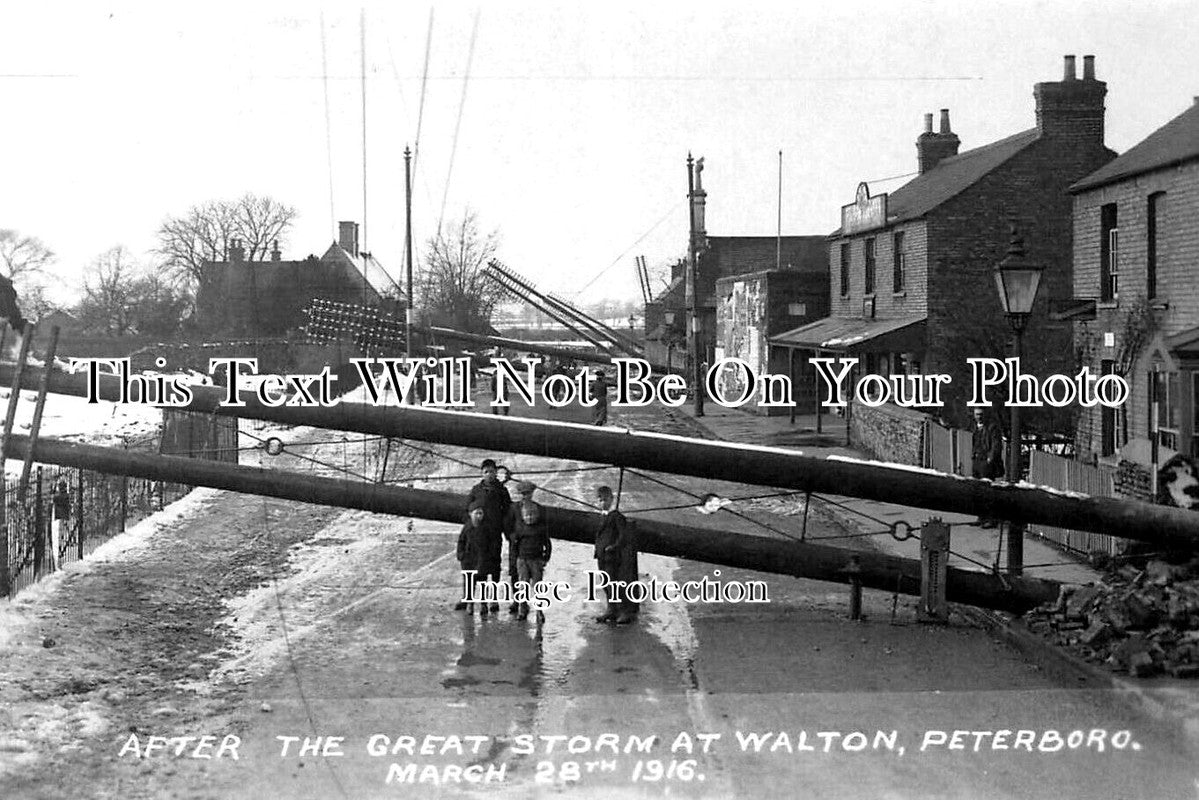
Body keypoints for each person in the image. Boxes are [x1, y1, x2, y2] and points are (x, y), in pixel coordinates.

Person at [466, 458, 511, 610]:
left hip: (495, 533)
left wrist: (506, 530)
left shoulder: (502, 491)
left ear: (496, 473)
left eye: (492, 471)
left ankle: (494, 599)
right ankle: (483, 602)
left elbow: (508, 511)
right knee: (482, 567)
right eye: (486, 472)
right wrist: (472, 527)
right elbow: (468, 509)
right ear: (482, 473)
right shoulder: (476, 490)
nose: (489, 474)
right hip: (480, 535)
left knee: (495, 566)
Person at [593, 485, 637, 624]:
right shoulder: (602, 516)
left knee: (616, 583)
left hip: (612, 556)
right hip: (602, 556)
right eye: (600, 500)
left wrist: (614, 547)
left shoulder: (616, 516)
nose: (603, 503)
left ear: (612, 499)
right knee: (606, 583)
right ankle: (611, 609)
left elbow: (623, 535)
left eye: (605, 499)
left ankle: (624, 610)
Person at [511, 501, 552, 621]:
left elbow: (547, 545)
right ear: (523, 516)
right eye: (527, 515)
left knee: (538, 586)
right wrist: (516, 559)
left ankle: (539, 611)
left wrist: (545, 558)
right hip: (523, 560)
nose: (529, 518)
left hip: (536, 561)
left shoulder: (541, 529)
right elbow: (514, 545)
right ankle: (522, 610)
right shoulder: (519, 529)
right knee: (523, 586)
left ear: (537, 515)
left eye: (532, 515)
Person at [504, 480, 541, 613]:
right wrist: (512, 537)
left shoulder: (538, 508)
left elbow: (543, 528)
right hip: (516, 546)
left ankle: (535, 606)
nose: (526, 496)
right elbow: (507, 525)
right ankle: (518, 601)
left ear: (532, 494)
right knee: (515, 574)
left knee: (534, 576)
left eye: (528, 494)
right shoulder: (514, 508)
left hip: (532, 546)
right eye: (523, 494)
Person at [971, 407, 1005, 528]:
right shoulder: (976, 427)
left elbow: (996, 445)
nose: (979, 417)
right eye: (976, 414)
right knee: (978, 491)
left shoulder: (992, 427)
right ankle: (981, 517)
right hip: (977, 461)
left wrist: (990, 458)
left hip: (986, 463)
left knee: (988, 491)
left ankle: (991, 519)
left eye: (980, 414)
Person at [456, 501, 489, 614]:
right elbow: (461, 541)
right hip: (468, 559)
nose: (479, 516)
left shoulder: (485, 528)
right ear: (471, 514)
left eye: (481, 513)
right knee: (469, 582)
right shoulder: (467, 528)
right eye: (476, 513)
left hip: (481, 558)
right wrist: (461, 555)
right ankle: (470, 603)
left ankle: (483, 604)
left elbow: (490, 544)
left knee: (483, 582)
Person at [50, 478, 70, 571]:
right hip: (64, 518)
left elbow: (54, 498)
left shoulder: (59, 496)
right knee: (62, 538)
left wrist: (53, 489)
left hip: (58, 519)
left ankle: (58, 559)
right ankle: (61, 555)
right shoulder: (66, 495)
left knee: (58, 539)